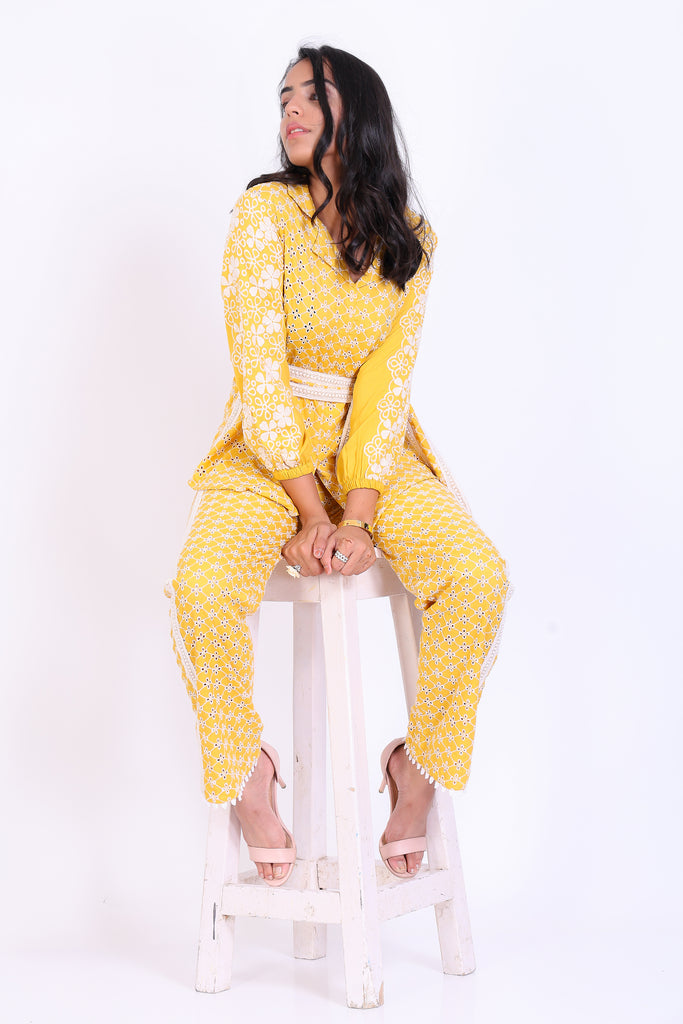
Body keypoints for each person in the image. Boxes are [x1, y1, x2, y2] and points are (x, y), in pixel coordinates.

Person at [167, 44, 510, 887]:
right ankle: (246, 771)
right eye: (283, 96)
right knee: (203, 589)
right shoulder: (263, 214)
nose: (290, 108)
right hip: (266, 456)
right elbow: (258, 368)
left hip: (373, 456)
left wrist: (356, 514)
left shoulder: (411, 241)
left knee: (477, 577)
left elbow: (387, 385)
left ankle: (415, 774)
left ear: (357, 111)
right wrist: (308, 512)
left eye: (311, 95)